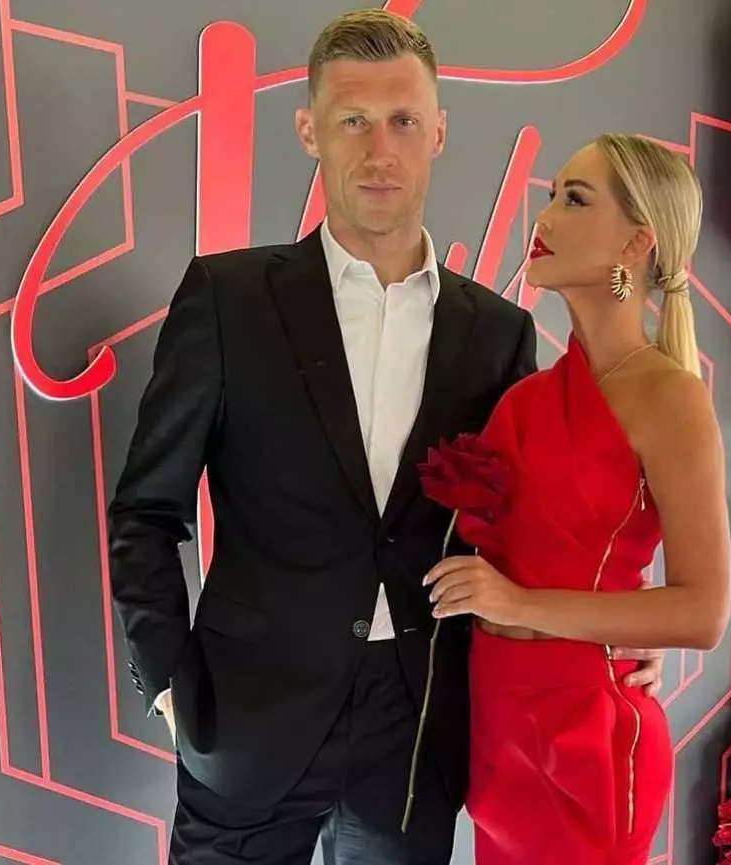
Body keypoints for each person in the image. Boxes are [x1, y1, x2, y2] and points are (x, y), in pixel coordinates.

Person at [106, 10, 664, 865]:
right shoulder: (227, 298)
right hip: (248, 719)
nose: (380, 150)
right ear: (310, 131)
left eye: (403, 120)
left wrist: (611, 626)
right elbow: (146, 511)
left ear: (438, 132)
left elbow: (529, 528)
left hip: (418, 725)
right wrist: (169, 687)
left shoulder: (498, 334)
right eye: (353, 120)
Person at [423, 134, 731, 864]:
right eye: (551, 194)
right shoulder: (524, 400)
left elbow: (702, 613)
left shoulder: (671, 396)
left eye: (575, 198)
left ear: (636, 242)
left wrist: (518, 604)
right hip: (499, 722)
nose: (546, 216)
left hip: (588, 738)